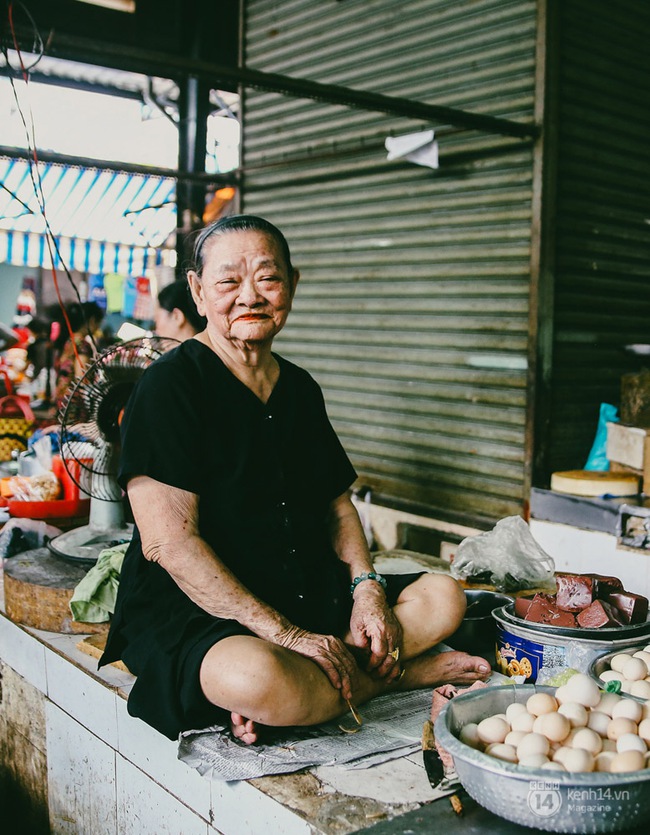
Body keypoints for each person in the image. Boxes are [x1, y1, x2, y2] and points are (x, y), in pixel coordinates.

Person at [99, 215, 490, 743]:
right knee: (253, 676)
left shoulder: (300, 389)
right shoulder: (170, 386)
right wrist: (286, 635)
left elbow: (337, 507)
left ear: (292, 285)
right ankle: (385, 678)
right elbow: (170, 544)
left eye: (268, 277)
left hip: (305, 591)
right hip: (199, 609)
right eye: (228, 281)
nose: (250, 295)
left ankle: (324, 685)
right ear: (197, 290)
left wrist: (366, 589)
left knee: (445, 595)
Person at [52, 301, 104, 409]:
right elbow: (81, 377)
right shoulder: (82, 345)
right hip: (74, 405)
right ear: (92, 320)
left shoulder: (68, 341)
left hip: (62, 401)